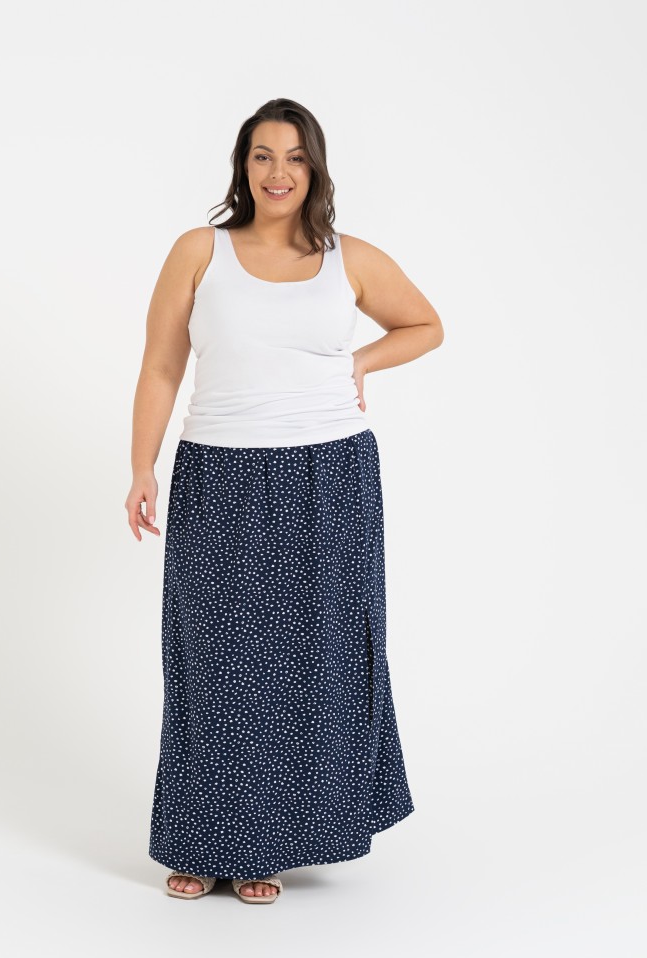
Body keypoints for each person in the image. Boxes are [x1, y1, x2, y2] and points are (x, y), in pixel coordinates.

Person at [126, 98, 444, 905]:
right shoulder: (199, 250)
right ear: (244, 166)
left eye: (295, 157)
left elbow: (425, 325)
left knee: (310, 661)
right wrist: (142, 466)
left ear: (315, 168)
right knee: (212, 659)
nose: (278, 172)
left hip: (329, 473)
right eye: (263, 156)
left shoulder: (349, 259)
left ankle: (266, 845)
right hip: (220, 471)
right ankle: (202, 839)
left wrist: (361, 362)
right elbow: (161, 365)